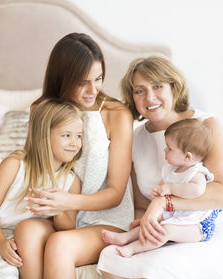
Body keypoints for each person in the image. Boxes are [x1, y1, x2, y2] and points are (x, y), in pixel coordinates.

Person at [97, 56, 223, 278]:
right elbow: (143, 205)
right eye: (139, 90)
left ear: (174, 87)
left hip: (213, 230)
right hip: (171, 228)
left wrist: (164, 203)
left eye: (158, 86)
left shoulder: (204, 126)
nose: (149, 96)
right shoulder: (135, 139)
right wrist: (145, 224)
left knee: (154, 269)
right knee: (111, 258)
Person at [15, 32, 134, 279]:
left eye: (98, 78)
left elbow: (116, 193)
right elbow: (33, 166)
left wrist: (68, 202)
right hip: (58, 215)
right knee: (27, 231)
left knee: (61, 245)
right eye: (83, 82)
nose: (93, 89)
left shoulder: (116, 115)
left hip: (105, 218)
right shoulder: (42, 110)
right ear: (63, 78)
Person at [0, 99, 83, 279]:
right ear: (44, 135)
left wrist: (57, 209)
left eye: (79, 136)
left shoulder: (70, 180)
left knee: (23, 238)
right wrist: (1, 242)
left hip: (24, 233)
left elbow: (67, 226)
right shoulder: (15, 165)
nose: (74, 143)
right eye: (67, 135)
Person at [102, 118, 220, 258]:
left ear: (187, 156)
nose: (165, 150)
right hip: (176, 216)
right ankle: (125, 237)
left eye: (169, 148)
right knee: (152, 223)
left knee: (165, 230)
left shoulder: (196, 173)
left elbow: (197, 191)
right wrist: (159, 189)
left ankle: (133, 248)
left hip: (197, 225)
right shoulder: (171, 169)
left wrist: (171, 189)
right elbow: (163, 184)